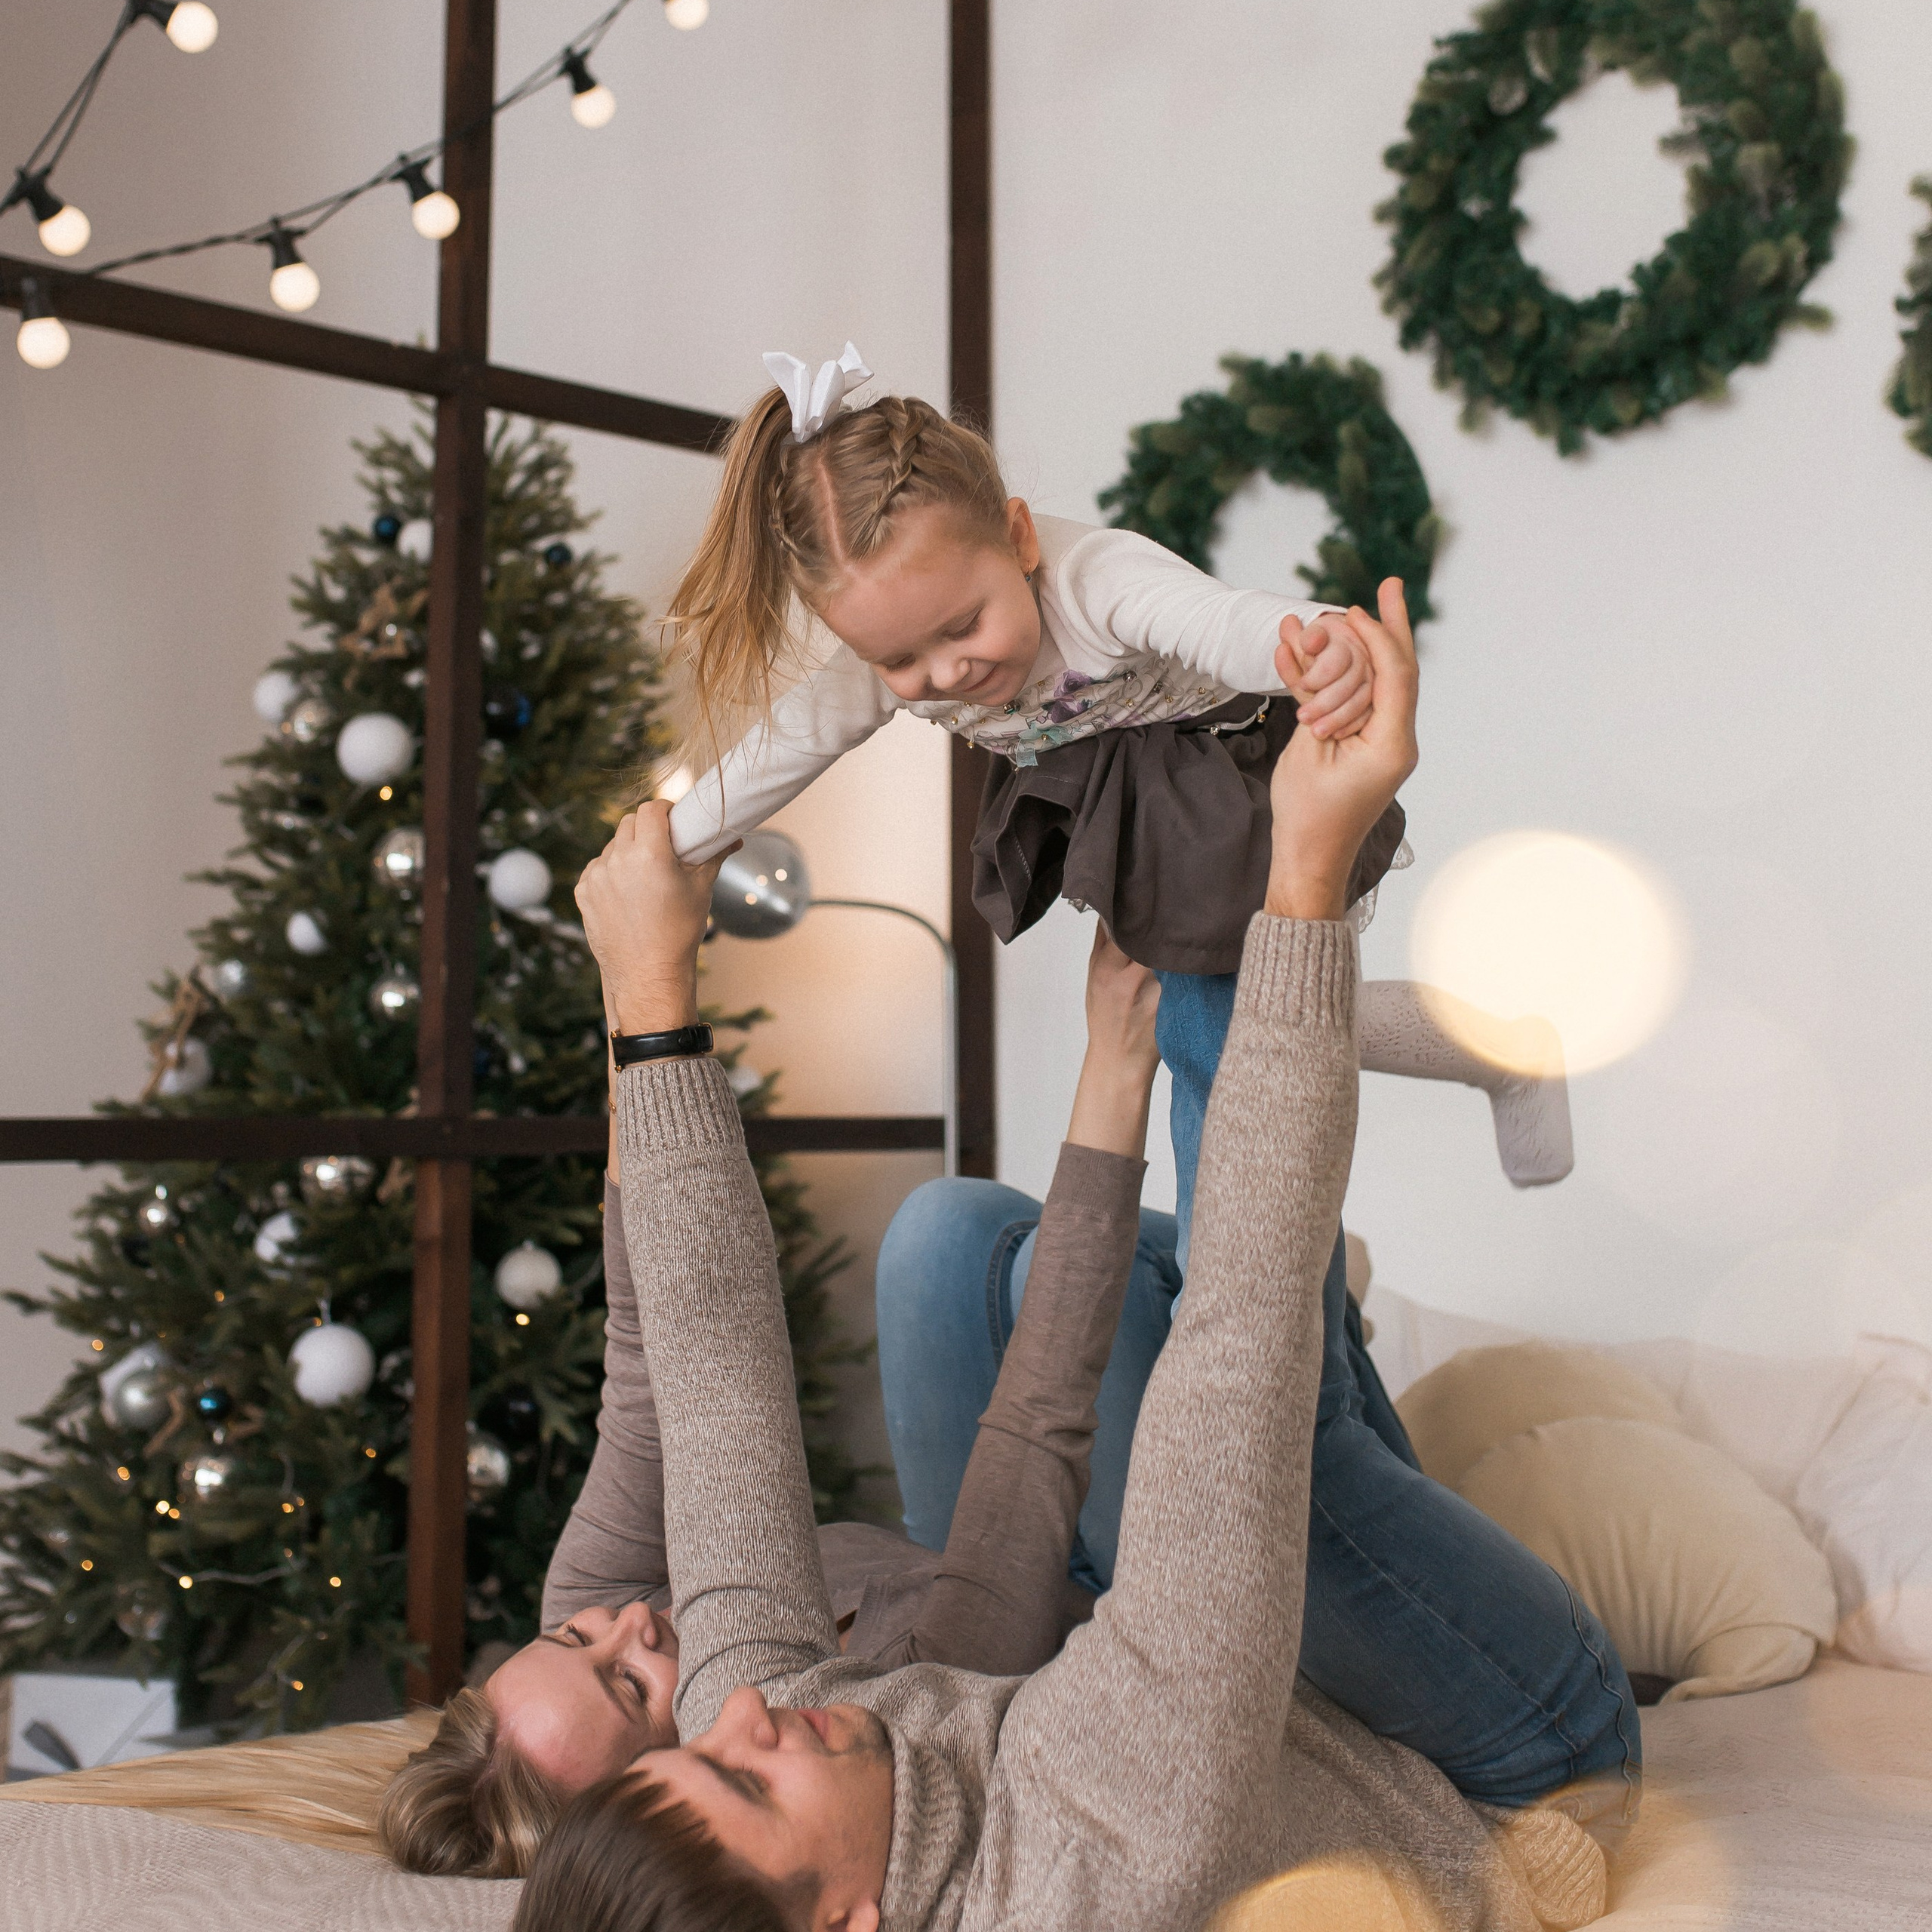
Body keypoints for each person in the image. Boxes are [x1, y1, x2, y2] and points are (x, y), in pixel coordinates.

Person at [514, 588, 1625, 1932]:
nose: (739, 1712)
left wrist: (645, 1001)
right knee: (1267, 1417)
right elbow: (1241, 1364)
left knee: (953, 1244)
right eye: (746, 1778)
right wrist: (1304, 879)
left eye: (699, 1747)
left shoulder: (778, 1733)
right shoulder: (1093, 1856)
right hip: (1498, 1753)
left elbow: (715, 1400)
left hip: (1245, 1685)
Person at [377, 925, 1171, 1876]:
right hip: (1115, 1594)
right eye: (630, 1684)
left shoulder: (604, 1603)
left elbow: (645, 1352)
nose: (632, 1622)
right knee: (1110, 1283)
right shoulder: (856, 1735)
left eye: (572, 1637)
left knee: (941, 1231)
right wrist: (1118, 1055)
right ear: (670, 1787)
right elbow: (1039, 1426)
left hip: (958, 1548)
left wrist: (637, 986)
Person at [663, 343, 1407, 1266]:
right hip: (1124, 791)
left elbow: (1222, 620)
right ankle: (1493, 1048)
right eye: (900, 661)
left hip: (1221, 787)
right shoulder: (893, 647)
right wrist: (672, 843)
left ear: (1018, 538)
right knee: (1276, 1018)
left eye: (962, 625)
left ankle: (1240, 1279)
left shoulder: (1092, 579)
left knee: (1209, 1035)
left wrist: (1317, 644)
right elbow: (788, 743)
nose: (945, 674)